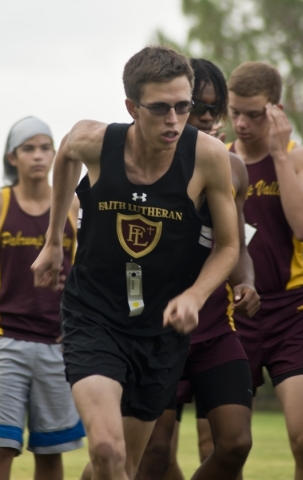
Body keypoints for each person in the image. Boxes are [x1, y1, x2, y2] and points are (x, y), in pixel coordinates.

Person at [31, 46, 240, 480]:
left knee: (117, 465)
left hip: (160, 330)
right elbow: (66, 154)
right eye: (160, 108)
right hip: (94, 314)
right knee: (106, 449)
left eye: (183, 107)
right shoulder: (95, 140)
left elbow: (228, 247)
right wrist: (53, 240)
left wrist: (195, 297)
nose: (174, 120)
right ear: (132, 107)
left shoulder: (207, 156)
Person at [136, 59, 260, 480]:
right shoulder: (148, 163)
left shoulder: (233, 168)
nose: (205, 117)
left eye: (213, 108)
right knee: (152, 456)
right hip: (152, 329)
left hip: (211, 326)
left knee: (235, 443)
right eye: (197, 106)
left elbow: (235, 246)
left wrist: (246, 283)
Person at [0, 116, 84, 480]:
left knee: (50, 450)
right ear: (12, 157)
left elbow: (84, 272)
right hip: (5, 340)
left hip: (57, 343)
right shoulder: (0, 205)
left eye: (45, 147)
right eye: (28, 148)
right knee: (1, 447)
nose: (38, 155)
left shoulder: (73, 207)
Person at [227, 61, 303, 480]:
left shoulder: (294, 158)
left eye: (253, 114)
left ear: (274, 110)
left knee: (302, 438)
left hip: (292, 309)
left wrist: (277, 152)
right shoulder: (218, 161)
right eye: (234, 111)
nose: (241, 123)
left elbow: (302, 228)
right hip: (234, 311)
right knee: (226, 446)